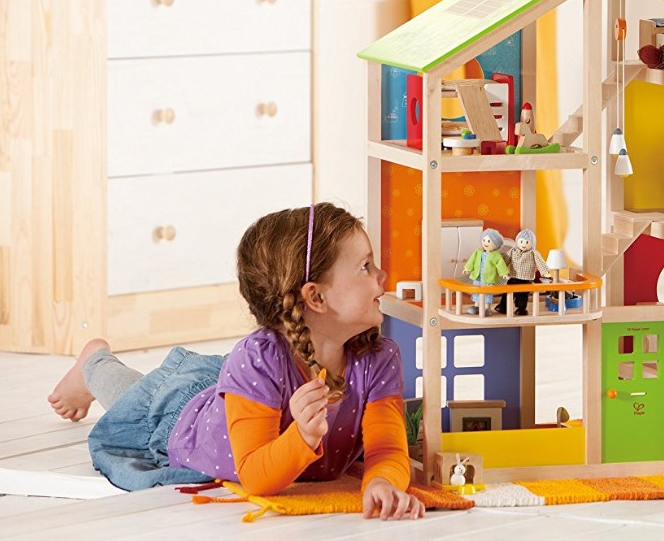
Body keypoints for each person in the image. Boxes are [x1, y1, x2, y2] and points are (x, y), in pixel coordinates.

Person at [46, 203, 424, 520]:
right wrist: (302, 437)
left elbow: (387, 449)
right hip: (182, 416)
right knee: (130, 395)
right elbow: (256, 477)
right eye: (365, 266)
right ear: (316, 297)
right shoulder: (260, 359)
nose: (382, 275)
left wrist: (382, 482)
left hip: (241, 393)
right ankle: (94, 361)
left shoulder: (380, 357)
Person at [495, 229, 551, 316]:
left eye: (527, 242)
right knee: (508, 293)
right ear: (517, 241)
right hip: (513, 277)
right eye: (521, 241)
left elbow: (540, 262)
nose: (523, 244)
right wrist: (498, 267)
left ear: (532, 243)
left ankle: (521, 309)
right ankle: (503, 306)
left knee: (523, 295)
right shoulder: (513, 251)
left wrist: (544, 272)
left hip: (526, 279)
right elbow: (505, 259)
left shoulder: (533, 253)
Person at [463, 228, 509, 314]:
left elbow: (500, 264)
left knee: (487, 293)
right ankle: (476, 306)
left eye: (489, 241)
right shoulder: (477, 252)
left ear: (496, 244)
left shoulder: (496, 255)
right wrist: (467, 269)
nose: (485, 243)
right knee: (477, 291)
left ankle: (487, 308)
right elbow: (471, 260)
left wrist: (504, 273)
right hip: (477, 277)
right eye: (484, 240)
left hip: (488, 278)